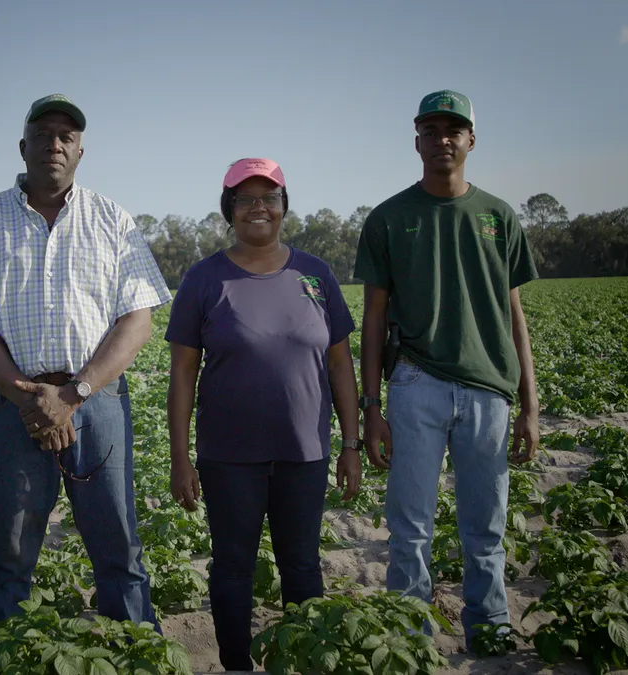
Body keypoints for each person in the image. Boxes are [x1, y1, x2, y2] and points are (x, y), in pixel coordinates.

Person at [0, 94, 171, 632]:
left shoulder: (112, 219)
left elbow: (137, 321)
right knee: (9, 549)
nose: (54, 145)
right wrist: (26, 396)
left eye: (66, 137)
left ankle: (134, 654)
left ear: (81, 151)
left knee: (118, 546)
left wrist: (74, 394)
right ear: (23, 147)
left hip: (97, 403)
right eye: (42, 135)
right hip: (17, 407)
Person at [353, 90, 541, 649]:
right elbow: (373, 317)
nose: (443, 140)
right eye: (431, 130)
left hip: (489, 391)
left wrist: (530, 405)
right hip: (415, 384)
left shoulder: (498, 216)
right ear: (417, 142)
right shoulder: (389, 218)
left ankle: (491, 625)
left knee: (486, 526)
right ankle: (409, 633)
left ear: (471, 140)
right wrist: (371, 408)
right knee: (410, 527)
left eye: (453, 130)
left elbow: (514, 314)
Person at [166, 158, 362, 671]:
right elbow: (183, 373)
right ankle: (236, 664)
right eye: (245, 198)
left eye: (269, 197)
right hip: (228, 456)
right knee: (232, 567)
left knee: (302, 565)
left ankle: (305, 660)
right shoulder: (204, 279)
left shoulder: (315, 274)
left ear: (283, 207)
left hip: (306, 451)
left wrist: (350, 444)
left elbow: (340, 363)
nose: (259, 208)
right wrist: (180, 457)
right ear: (228, 210)